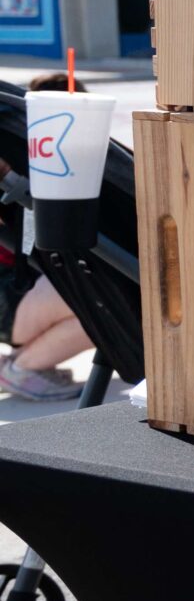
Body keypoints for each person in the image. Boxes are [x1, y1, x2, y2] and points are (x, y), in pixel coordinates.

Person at [0, 69, 97, 402]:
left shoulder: (28, 158)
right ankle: (23, 367)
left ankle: (24, 359)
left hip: (16, 293)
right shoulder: (31, 169)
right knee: (106, 302)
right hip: (11, 295)